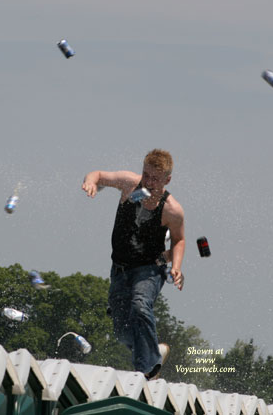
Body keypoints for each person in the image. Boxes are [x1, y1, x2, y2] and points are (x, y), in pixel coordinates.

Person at [81, 149, 185, 379]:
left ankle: (148, 368)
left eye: (155, 179)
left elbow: (178, 240)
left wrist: (176, 266)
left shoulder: (171, 209)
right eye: (146, 175)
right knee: (121, 331)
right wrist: (90, 182)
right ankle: (151, 351)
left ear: (167, 180)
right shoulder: (130, 185)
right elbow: (98, 175)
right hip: (119, 269)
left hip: (149, 270)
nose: (149, 182)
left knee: (140, 305)